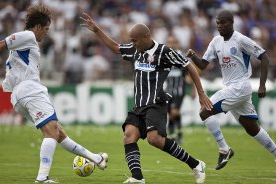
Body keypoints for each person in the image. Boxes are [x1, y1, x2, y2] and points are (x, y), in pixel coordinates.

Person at [80, 12, 213, 184]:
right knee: (129, 135)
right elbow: (115, 47)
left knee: (154, 139)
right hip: (139, 105)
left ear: (146, 36)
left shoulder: (164, 52)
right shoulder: (135, 51)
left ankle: (196, 164)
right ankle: (137, 178)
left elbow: (190, 67)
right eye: (131, 40)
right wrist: (97, 30)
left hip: (156, 103)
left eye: (135, 40)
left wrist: (201, 92)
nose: (133, 43)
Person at [0, 5, 108, 183]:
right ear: (38, 27)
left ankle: (96, 158)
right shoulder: (28, 36)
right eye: (46, 29)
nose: (47, 33)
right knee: (51, 132)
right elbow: (2, 44)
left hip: (18, 96)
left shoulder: (25, 43)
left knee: (57, 133)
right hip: (30, 90)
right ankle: (42, 178)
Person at [186, 9, 276, 171]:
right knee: (252, 129)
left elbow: (264, 57)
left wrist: (262, 84)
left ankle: (225, 149)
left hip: (240, 87)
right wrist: (193, 56)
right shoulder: (216, 41)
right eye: (217, 23)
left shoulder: (241, 40)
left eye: (223, 22)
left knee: (204, 111)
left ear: (232, 23)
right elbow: (203, 64)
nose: (220, 26)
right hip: (232, 88)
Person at [165, 35, 196, 144]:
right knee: (172, 114)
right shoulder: (164, 56)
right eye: (169, 42)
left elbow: (191, 73)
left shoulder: (182, 56)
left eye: (173, 42)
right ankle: (177, 135)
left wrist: (193, 89)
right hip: (167, 91)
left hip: (179, 90)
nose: (171, 44)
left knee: (174, 112)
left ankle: (174, 136)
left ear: (177, 44)